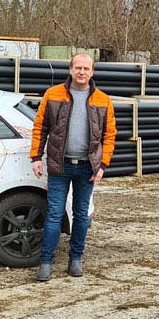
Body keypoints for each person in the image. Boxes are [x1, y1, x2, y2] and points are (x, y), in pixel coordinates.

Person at [29, 53, 116, 281]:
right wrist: (36, 157)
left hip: (87, 168)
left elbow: (109, 135)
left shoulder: (103, 100)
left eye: (86, 69)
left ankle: (75, 259)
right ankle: (46, 262)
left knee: (81, 215)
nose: (82, 72)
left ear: (92, 72)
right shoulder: (53, 94)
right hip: (60, 165)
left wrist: (102, 165)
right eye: (78, 68)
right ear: (70, 69)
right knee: (54, 214)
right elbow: (41, 127)